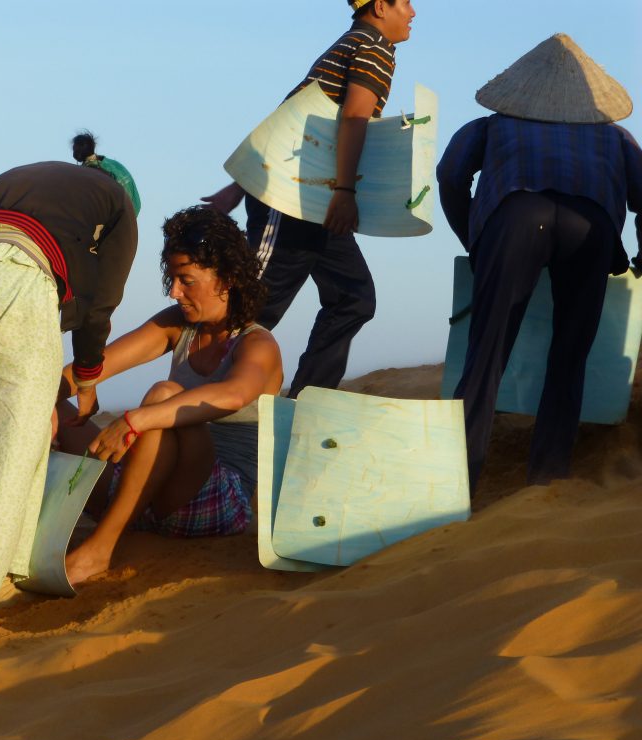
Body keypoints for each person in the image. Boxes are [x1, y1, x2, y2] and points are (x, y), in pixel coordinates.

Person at [0, 161, 138, 636]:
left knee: (21, 432)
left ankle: (6, 574)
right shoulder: (120, 206)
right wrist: (88, 376)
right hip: (13, 271)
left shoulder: (46, 182)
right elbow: (102, 303)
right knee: (4, 454)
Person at [436, 34, 642, 492]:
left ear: (521, 89)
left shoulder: (489, 126)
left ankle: (456, 480)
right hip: (591, 226)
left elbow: (450, 176)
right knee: (569, 359)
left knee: (486, 356)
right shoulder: (617, 137)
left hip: (516, 219)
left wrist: (475, 238)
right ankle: (546, 482)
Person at [54, 206, 283, 586]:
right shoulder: (180, 326)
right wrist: (48, 398)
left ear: (226, 279)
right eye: (173, 279)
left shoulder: (257, 344)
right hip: (147, 493)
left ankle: (100, 550)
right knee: (50, 401)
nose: (174, 291)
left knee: (164, 395)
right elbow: (92, 369)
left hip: (217, 502)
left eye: (186, 280)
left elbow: (234, 394)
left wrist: (136, 419)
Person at [203, 0, 415, 397]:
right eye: (405, 2)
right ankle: (200, 401)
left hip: (318, 198)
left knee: (354, 298)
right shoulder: (372, 48)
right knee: (253, 306)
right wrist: (345, 191)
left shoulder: (352, 44)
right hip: (296, 197)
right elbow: (353, 119)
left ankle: (305, 405)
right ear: (381, 7)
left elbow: (292, 114)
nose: (413, 12)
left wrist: (240, 184)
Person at [71, 131, 141, 216]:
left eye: (74, 149)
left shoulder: (88, 173)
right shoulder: (114, 164)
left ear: (78, 150)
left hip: (118, 216)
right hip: (133, 212)